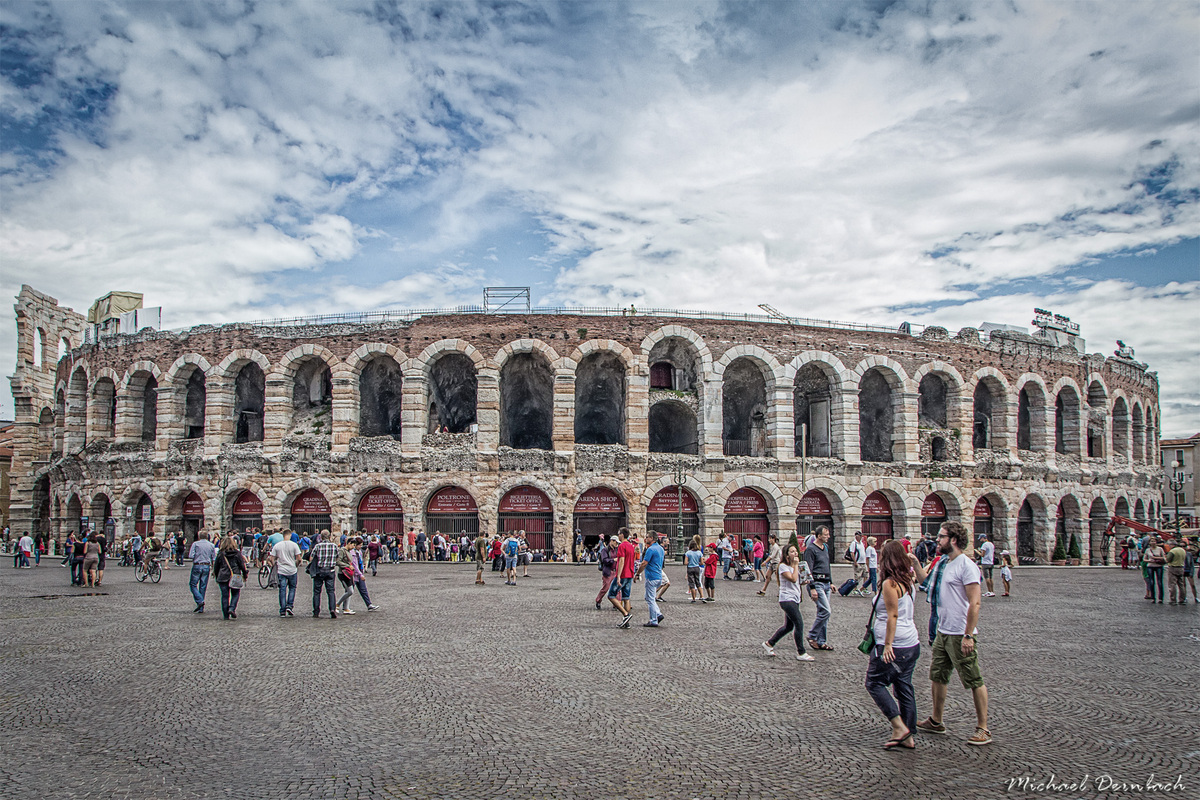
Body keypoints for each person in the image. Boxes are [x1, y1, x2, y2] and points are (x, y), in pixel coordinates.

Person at [917, 521, 991, 745]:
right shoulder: (944, 563)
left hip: (961, 632)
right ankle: (936, 720)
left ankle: (983, 728)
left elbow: (975, 602)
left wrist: (968, 634)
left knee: (973, 678)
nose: (937, 540)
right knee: (937, 675)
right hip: (943, 629)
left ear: (954, 540)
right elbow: (925, 583)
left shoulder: (966, 566)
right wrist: (914, 562)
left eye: (941, 537)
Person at [865, 540, 924, 750]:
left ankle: (899, 726)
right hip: (911, 642)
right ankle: (908, 735)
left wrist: (887, 646)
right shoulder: (908, 579)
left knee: (874, 683)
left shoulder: (890, 584)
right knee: (903, 685)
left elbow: (893, 616)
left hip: (894, 643)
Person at [761, 544, 815, 662]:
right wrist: (796, 566)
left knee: (788, 626)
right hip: (787, 599)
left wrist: (804, 580)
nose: (795, 553)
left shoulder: (794, 566)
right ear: (786, 555)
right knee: (799, 624)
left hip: (795, 598)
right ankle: (801, 652)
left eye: (796, 551)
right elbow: (793, 578)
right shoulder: (783, 567)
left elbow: (797, 581)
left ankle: (770, 643)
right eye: (792, 552)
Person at [804, 527, 834, 651]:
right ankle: (812, 635)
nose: (828, 536)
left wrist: (831, 582)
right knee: (826, 611)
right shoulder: (810, 550)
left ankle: (821, 641)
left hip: (826, 583)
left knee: (823, 613)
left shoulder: (825, 548)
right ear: (819, 536)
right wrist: (812, 588)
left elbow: (827, 566)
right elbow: (808, 569)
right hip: (817, 584)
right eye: (826, 534)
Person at [268, 532, 303, 617]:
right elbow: (299, 558)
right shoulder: (294, 545)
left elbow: (271, 558)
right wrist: (296, 565)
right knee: (292, 588)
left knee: (282, 590)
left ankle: (282, 610)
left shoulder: (277, 545)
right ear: (290, 535)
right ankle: (289, 606)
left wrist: (274, 565)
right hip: (292, 570)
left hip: (281, 570)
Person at [635, 530, 666, 627]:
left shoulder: (650, 549)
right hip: (658, 576)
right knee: (648, 597)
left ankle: (654, 620)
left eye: (647, 537)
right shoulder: (660, 548)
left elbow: (644, 563)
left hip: (651, 577)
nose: (646, 538)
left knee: (651, 599)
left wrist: (637, 573)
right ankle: (658, 614)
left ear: (652, 538)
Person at [214, 535, 248, 620]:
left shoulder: (221, 553)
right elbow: (242, 565)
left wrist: (216, 575)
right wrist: (244, 574)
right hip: (235, 575)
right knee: (235, 594)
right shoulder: (237, 553)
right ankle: (232, 608)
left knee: (225, 596)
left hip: (223, 576)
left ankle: (226, 615)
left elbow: (216, 566)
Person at [608, 528, 637, 626]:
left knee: (611, 595)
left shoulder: (622, 546)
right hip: (630, 573)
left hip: (623, 574)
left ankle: (625, 614)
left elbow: (621, 561)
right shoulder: (631, 546)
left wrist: (618, 576)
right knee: (626, 598)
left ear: (622, 535)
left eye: (619, 534)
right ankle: (626, 622)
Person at [307, 531, 339, 618]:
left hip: (320, 570)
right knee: (331, 591)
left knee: (317, 592)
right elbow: (337, 557)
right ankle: (332, 609)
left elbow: (311, 558)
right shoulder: (334, 546)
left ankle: (316, 611)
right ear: (329, 537)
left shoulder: (318, 546)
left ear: (321, 537)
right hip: (331, 570)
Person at [188, 532, 217, 613]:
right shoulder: (211, 545)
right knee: (203, 586)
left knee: (193, 584)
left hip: (197, 565)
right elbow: (213, 557)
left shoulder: (195, 544)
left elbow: (191, 555)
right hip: (206, 566)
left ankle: (200, 601)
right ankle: (201, 607)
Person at [596, 533, 618, 608]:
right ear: (611, 541)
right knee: (605, 588)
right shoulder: (605, 550)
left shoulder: (617, 550)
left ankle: (616, 604)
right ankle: (598, 600)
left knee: (617, 588)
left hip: (615, 571)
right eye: (616, 542)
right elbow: (604, 560)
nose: (617, 544)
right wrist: (613, 560)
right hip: (608, 572)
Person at [1143, 536, 1166, 603]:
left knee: (1159, 582)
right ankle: (1153, 597)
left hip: (1158, 566)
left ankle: (1160, 598)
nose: (1153, 542)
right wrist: (1150, 561)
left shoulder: (1160, 549)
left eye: (1154, 541)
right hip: (1150, 566)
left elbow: (1164, 558)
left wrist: (1157, 558)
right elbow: (1144, 559)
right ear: (1149, 543)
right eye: (1151, 541)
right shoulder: (1147, 550)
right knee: (1151, 582)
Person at [1165, 538, 1188, 605]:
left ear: (1172, 544)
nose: (1168, 546)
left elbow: (1168, 560)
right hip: (1181, 567)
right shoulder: (1183, 550)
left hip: (1173, 567)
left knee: (1172, 584)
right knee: (1181, 585)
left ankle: (1173, 599)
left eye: (1169, 545)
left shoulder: (1173, 551)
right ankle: (1182, 599)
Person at [685, 536, 703, 603]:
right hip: (697, 567)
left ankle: (694, 598)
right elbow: (701, 562)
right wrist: (697, 562)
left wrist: (690, 562)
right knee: (698, 582)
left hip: (690, 568)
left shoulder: (688, 553)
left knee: (691, 583)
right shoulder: (699, 553)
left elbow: (685, 562)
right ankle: (702, 596)